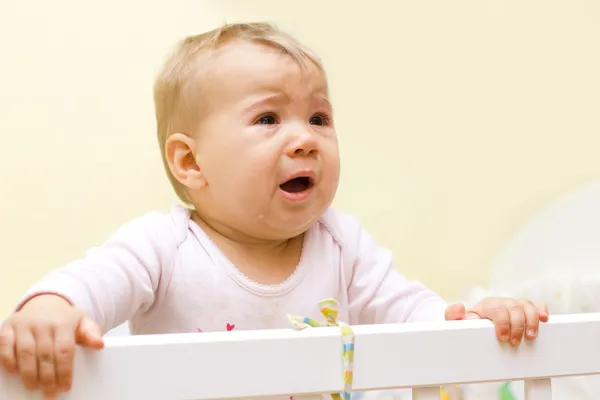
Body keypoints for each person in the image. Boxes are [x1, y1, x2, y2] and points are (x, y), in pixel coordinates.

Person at [0, 22, 548, 398]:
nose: (305, 140)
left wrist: (470, 319)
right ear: (190, 161)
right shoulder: (163, 246)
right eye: (268, 119)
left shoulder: (340, 242)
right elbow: (95, 281)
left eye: (319, 118)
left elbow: (413, 315)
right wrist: (52, 306)